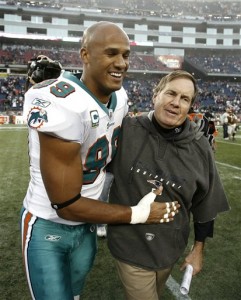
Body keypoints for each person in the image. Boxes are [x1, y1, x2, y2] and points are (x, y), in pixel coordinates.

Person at [20, 21, 179, 300]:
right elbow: (66, 205)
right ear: (85, 55)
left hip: (87, 227)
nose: (122, 63)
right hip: (47, 224)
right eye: (111, 53)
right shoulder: (61, 105)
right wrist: (139, 214)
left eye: (126, 55)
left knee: (75, 294)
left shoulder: (120, 98)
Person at [107, 70, 230, 300]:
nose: (176, 103)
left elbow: (206, 203)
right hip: (130, 246)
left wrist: (198, 250)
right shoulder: (125, 130)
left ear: (190, 106)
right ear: (155, 95)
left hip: (169, 250)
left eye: (184, 99)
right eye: (171, 94)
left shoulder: (200, 147)